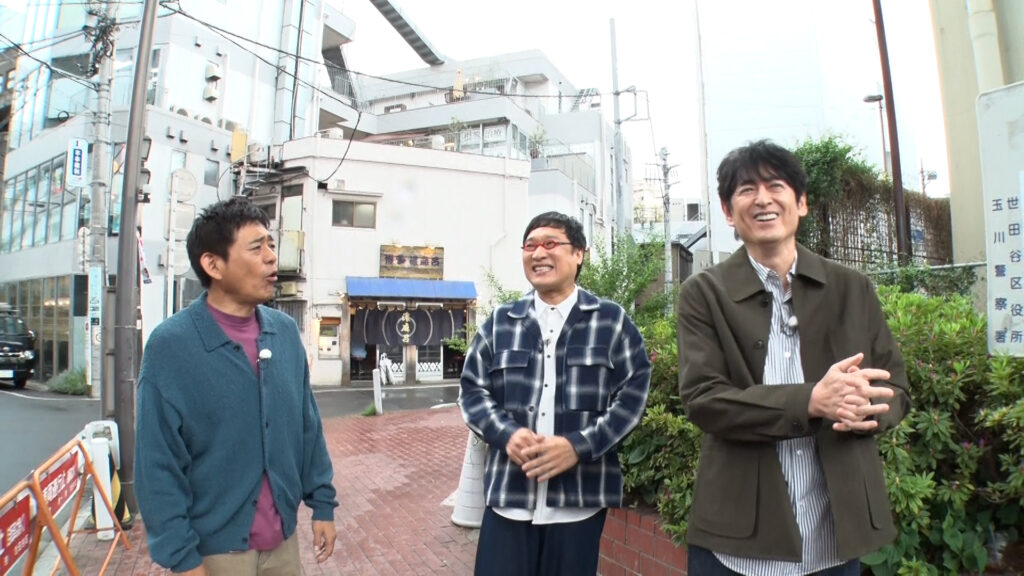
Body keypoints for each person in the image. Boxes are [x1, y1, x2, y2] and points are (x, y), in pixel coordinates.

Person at [677, 140, 911, 575]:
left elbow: (895, 388)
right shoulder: (704, 294)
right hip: (738, 539)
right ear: (728, 211)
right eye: (746, 189)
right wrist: (811, 401)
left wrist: (870, 408)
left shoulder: (851, 287)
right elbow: (704, 399)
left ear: (801, 202)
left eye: (776, 186)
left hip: (837, 536)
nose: (763, 199)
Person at [135, 197, 338, 575]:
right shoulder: (171, 347)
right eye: (256, 247)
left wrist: (322, 505)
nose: (272, 257)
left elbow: (307, 429)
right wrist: (181, 557)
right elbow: (157, 464)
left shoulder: (285, 333)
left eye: (271, 245)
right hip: (214, 554)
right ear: (213, 264)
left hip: (283, 544)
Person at [460, 211, 651, 576]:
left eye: (550, 243)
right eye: (530, 245)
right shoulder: (502, 322)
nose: (538, 253)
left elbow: (633, 396)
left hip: (579, 501)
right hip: (509, 497)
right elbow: (472, 390)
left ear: (579, 254)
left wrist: (578, 446)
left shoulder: (610, 321)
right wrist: (506, 434)